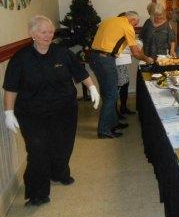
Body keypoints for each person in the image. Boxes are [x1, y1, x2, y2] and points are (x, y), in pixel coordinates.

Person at [3, 15, 101, 206]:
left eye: (50, 32)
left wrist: (92, 88)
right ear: (32, 34)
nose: (48, 36)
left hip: (64, 109)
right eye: (43, 32)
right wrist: (8, 112)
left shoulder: (62, 53)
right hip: (32, 113)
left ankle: (59, 172)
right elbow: (11, 87)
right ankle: (37, 193)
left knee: (63, 145)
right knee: (38, 150)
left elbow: (80, 73)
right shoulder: (21, 58)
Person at [89, 11, 153, 139]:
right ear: (132, 20)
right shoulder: (127, 26)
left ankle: (113, 123)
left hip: (94, 57)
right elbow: (135, 52)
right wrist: (147, 59)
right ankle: (104, 130)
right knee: (112, 95)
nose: (135, 26)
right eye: (136, 24)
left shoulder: (109, 19)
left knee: (108, 93)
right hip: (105, 60)